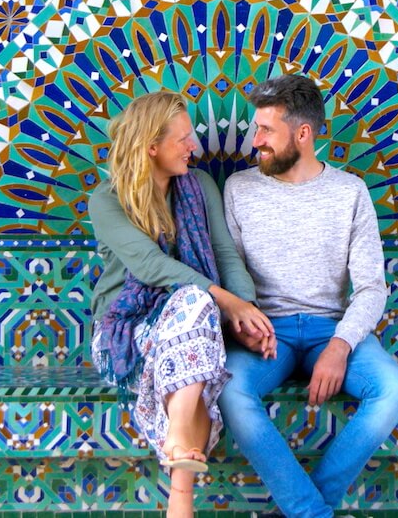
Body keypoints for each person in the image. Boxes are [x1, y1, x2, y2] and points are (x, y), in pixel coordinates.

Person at [219, 74, 398, 518]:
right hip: (267, 334)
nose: (256, 141)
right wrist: (241, 324)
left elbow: (371, 288)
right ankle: (313, 513)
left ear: (303, 134)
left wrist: (341, 345)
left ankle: (305, 509)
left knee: (393, 389)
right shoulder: (239, 189)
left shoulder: (350, 192)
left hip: (332, 328)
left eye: (266, 130)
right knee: (228, 391)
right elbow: (231, 276)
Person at [88, 90, 276, 518]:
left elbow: (225, 255)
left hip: (195, 328)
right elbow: (151, 265)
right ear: (151, 146)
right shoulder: (107, 200)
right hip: (125, 331)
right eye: (183, 139)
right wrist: (226, 302)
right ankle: (181, 467)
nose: (194, 147)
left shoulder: (200, 186)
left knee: (195, 318)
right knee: (194, 301)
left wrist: (247, 315)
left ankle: (178, 480)